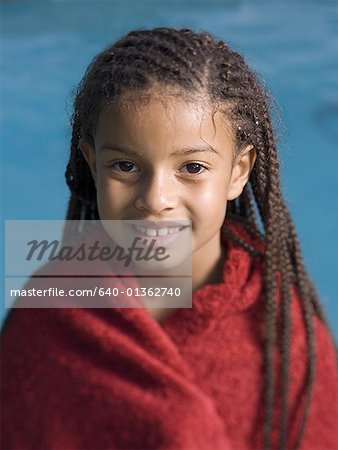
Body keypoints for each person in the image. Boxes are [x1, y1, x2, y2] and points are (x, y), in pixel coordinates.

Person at [1, 27, 337, 450]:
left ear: (238, 171)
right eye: (125, 166)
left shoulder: (285, 335)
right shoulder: (51, 315)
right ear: (92, 163)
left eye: (192, 168)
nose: (155, 200)